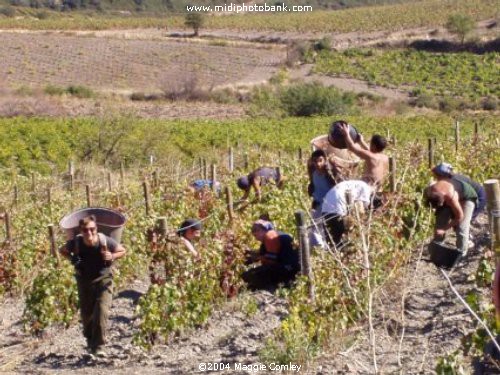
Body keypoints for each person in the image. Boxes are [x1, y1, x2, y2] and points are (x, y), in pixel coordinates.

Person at [59, 215, 126, 356]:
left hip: (104, 279)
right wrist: (72, 258)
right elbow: (62, 250)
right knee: (87, 313)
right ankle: (90, 340)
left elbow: (122, 250)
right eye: (85, 230)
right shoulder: (76, 242)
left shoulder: (104, 240)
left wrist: (112, 256)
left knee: (102, 310)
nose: (89, 233)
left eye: (92, 229)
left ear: (96, 228)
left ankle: (98, 346)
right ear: (81, 231)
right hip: (84, 280)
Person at [425, 176, 477, 256]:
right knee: (440, 220)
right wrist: (440, 228)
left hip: (467, 198)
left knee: (462, 227)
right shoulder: (431, 191)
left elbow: (459, 217)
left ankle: (460, 254)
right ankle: (436, 248)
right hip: (448, 194)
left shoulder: (451, 197)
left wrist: (444, 229)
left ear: (442, 202)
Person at [242, 220, 300, 290]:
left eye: (255, 230)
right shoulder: (274, 235)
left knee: (250, 275)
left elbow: (271, 260)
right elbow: (265, 253)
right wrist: (250, 253)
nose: (254, 233)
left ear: (264, 229)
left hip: (287, 269)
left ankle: (268, 291)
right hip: (291, 267)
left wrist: (256, 258)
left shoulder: (270, 236)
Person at [321, 180, 374, 248]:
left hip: (326, 208)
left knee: (332, 241)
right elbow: (360, 210)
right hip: (339, 207)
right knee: (344, 241)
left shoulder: (353, 184)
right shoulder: (366, 188)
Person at [338, 121, 389, 188]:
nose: (369, 144)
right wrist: (361, 142)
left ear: (374, 146)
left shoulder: (370, 156)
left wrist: (346, 134)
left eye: (370, 143)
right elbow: (371, 152)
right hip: (379, 187)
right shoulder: (385, 157)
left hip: (369, 187)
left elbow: (351, 147)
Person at [307, 150, 337, 248]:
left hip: (328, 204)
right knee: (315, 226)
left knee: (323, 227)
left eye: (320, 160)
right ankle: (317, 247)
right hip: (317, 203)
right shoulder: (314, 173)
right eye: (315, 161)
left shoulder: (329, 174)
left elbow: (336, 187)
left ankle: (322, 247)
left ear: (325, 160)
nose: (318, 164)